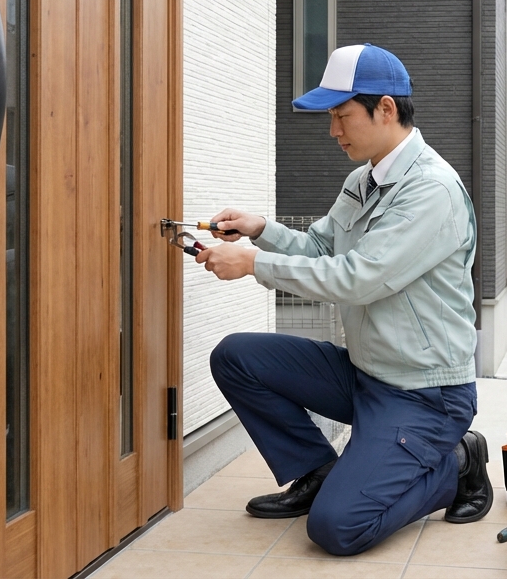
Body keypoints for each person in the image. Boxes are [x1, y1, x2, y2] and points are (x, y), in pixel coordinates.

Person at [197, 43, 491, 557]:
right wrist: (260, 231)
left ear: (385, 108)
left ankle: (456, 464)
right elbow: (321, 246)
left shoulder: (432, 191)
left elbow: (358, 278)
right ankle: (317, 471)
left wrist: (252, 265)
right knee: (236, 356)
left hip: (425, 394)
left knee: (337, 528)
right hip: (364, 374)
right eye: (330, 118)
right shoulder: (365, 179)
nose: (333, 131)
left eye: (341, 116)